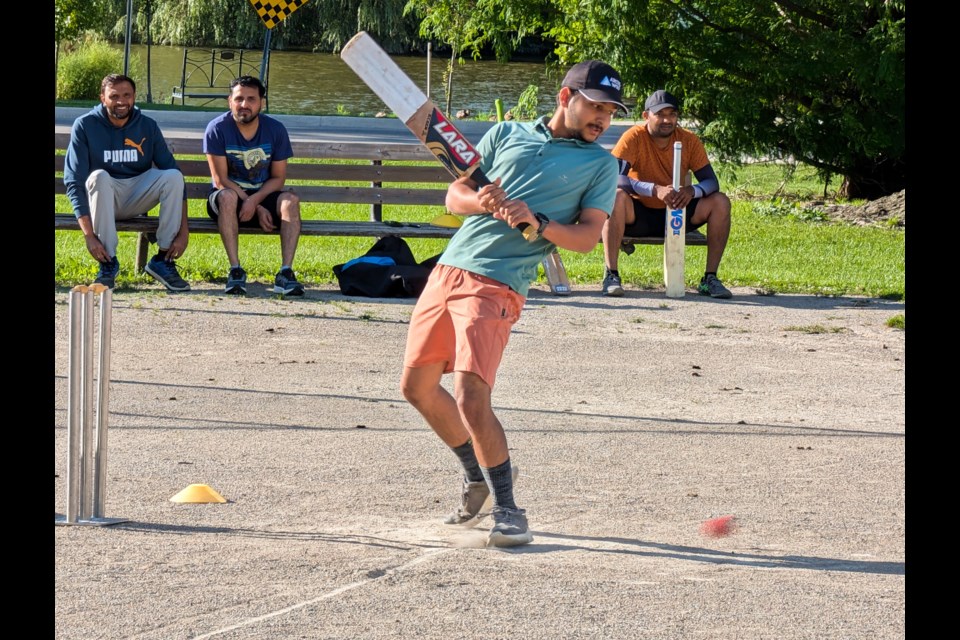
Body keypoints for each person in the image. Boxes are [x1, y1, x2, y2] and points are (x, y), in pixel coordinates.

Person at [399, 61, 626, 547]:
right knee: (416, 387)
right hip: (448, 269)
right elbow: (455, 193)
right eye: (596, 106)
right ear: (566, 98)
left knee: (470, 395)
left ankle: (508, 508)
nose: (603, 119)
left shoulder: (601, 166)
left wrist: (539, 222)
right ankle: (475, 475)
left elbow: (587, 238)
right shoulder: (506, 133)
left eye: (610, 111)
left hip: (498, 282)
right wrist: (482, 202)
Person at [63, 74, 191, 291]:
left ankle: (163, 260)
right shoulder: (85, 125)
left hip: (137, 195)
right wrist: (89, 236)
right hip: (104, 198)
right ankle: (108, 263)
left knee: (173, 177)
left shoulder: (147, 126)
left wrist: (184, 232)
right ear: (102, 98)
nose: (121, 101)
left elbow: (175, 176)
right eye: (114, 96)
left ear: (134, 97)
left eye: (127, 95)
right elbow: (74, 182)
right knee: (98, 177)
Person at [601, 90, 733, 299]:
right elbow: (614, 178)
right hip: (639, 214)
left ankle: (710, 278)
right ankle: (611, 274)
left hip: (677, 211)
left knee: (720, 202)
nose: (667, 120)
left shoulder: (688, 139)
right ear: (646, 116)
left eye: (672, 114)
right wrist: (655, 189)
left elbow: (711, 182)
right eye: (660, 114)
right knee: (616, 196)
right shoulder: (634, 137)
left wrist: (692, 191)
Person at [203, 75, 304, 296]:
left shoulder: (275, 129)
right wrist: (255, 206)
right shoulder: (217, 128)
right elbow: (220, 180)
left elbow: (278, 178)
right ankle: (235, 271)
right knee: (228, 197)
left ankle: (285, 273)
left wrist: (255, 200)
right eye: (239, 99)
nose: (244, 105)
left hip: (262, 194)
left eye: (251, 99)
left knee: (290, 201)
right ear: (230, 101)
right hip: (226, 194)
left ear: (262, 103)